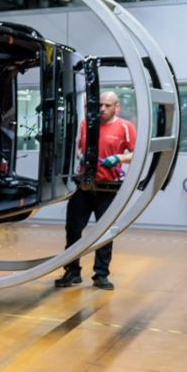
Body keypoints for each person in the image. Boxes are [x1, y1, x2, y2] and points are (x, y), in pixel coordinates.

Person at [55, 91, 134, 290]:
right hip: (84, 186)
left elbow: (135, 153)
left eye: (107, 105)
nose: (102, 109)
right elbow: (80, 148)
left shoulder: (125, 127)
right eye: (99, 105)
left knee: (105, 232)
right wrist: (81, 156)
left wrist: (118, 158)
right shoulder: (85, 126)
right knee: (73, 229)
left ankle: (101, 275)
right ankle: (72, 272)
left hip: (108, 189)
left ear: (117, 107)